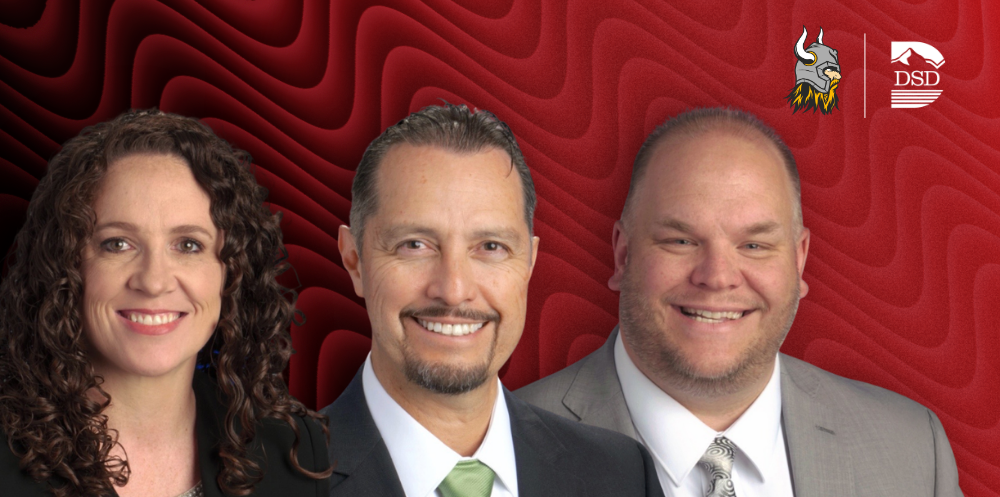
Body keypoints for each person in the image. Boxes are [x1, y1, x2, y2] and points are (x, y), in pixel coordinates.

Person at [517, 107, 963, 496]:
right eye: (681, 240)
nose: (717, 277)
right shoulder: (498, 448)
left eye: (754, 246)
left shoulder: (912, 451)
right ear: (622, 255)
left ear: (800, 261)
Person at [320, 103, 663, 497]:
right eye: (414, 245)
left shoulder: (621, 476)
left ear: (529, 264)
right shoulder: (255, 481)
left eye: (491, 247)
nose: (453, 289)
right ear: (354, 261)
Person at [0, 109, 330, 497]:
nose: (154, 281)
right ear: (63, 265)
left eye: (188, 245)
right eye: (117, 244)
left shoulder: (292, 451)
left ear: (232, 272)